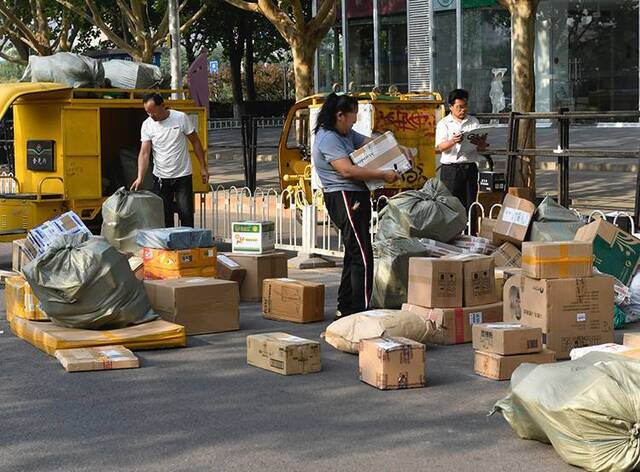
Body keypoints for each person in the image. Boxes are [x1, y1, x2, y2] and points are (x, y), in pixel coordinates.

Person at [312, 93, 411, 319]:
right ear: (339, 116)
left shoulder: (344, 133)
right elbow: (347, 170)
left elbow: (369, 143)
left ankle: (346, 306)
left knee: (354, 251)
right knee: (363, 253)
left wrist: (399, 147)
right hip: (344, 196)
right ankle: (362, 308)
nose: (354, 122)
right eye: (352, 117)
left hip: (356, 195)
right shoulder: (329, 138)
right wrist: (381, 174)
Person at [131, 92, 208, 228]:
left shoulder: (180, 118)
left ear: (163, 106)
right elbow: (144, 153)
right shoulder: (147, 125)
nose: (151, 116)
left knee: (186, 215)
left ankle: (186, 246)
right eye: (148, 112)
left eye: (153, 112)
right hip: (161, 177)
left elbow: (195, 142)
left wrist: (203, 167)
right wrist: (140, 177)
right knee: (164, 217)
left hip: (182, 175)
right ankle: (167, 248)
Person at [435, 88, 488, 212]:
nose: (463, 110)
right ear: (451, 107)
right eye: (459, 107)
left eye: (465, 106)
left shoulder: (473, 121)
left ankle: (470, 229)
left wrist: (481, 144)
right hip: (451, 169)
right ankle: (453, 231)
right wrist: (453, 141)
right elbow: (440, 147)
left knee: (470, 203)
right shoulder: (444, 123)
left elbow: (481, 148)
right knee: (450, 204)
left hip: (469, 167)